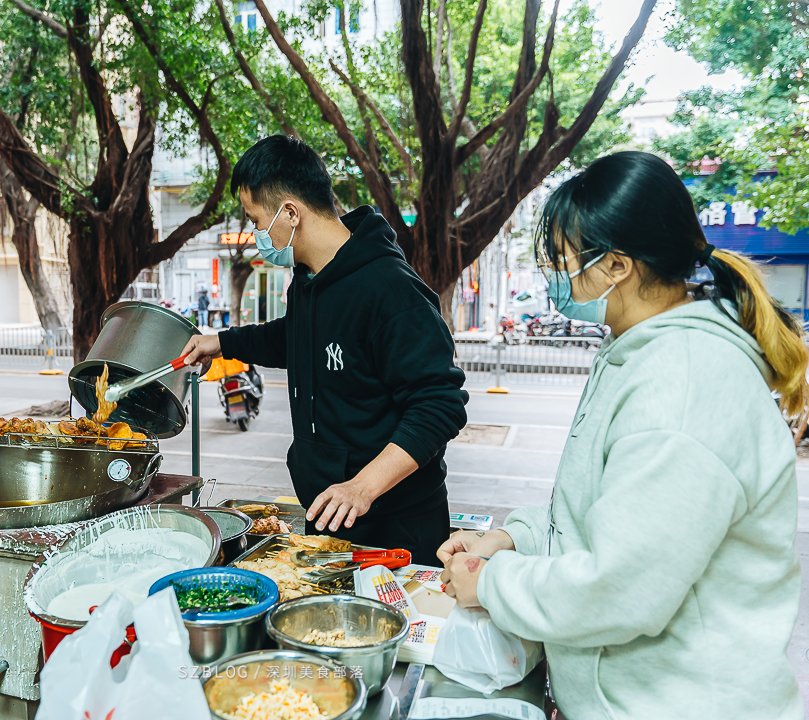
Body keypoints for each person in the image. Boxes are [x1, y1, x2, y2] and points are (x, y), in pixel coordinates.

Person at [439, 151, 805, 719]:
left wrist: (492, 585)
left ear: (616, 266)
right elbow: (597, 513)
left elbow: (623, 588)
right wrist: (514, 539)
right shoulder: (634, 353)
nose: (555, 279)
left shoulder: (682, 383)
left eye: (562, 262)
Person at [182, 135, 468, 565]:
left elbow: (440, 405)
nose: (255, 233)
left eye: (257, 220)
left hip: (393, 523)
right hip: (331, 513)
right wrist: (220, 342)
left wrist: (363, 486)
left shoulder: (390, 290)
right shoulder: (310, 279)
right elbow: (293, 339)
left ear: (291, 212)